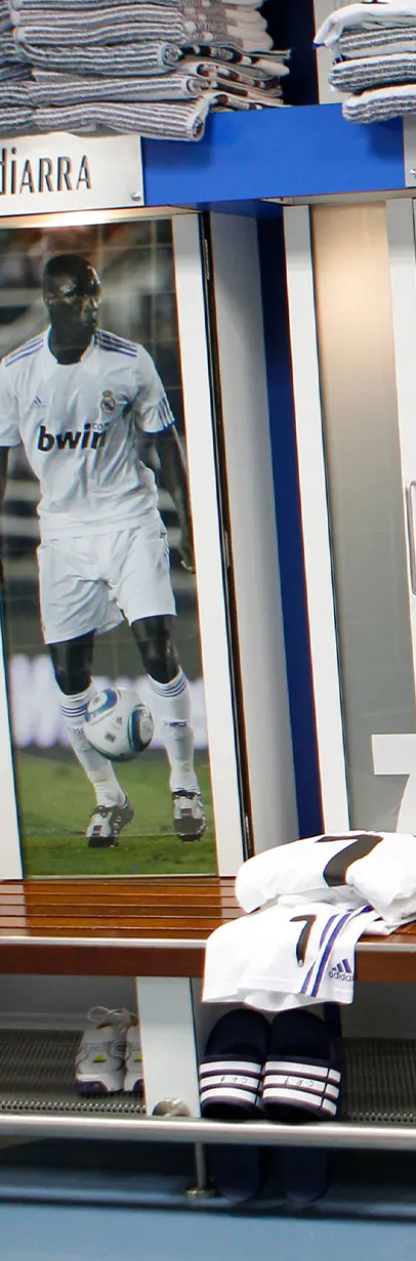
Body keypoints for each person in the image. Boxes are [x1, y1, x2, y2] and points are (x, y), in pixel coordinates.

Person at [0, 254, 205, 849]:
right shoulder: (16, 371)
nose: (89, 306)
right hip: (62, 531)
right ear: (50, 300)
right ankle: (108, 797)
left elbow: (165, 443)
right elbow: (4, 452)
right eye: (75, 297)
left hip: (128, 519)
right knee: (68, 676)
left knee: (157, 648)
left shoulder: (128, 360)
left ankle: (185, 784)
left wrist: (187, 523)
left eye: (93, 295)